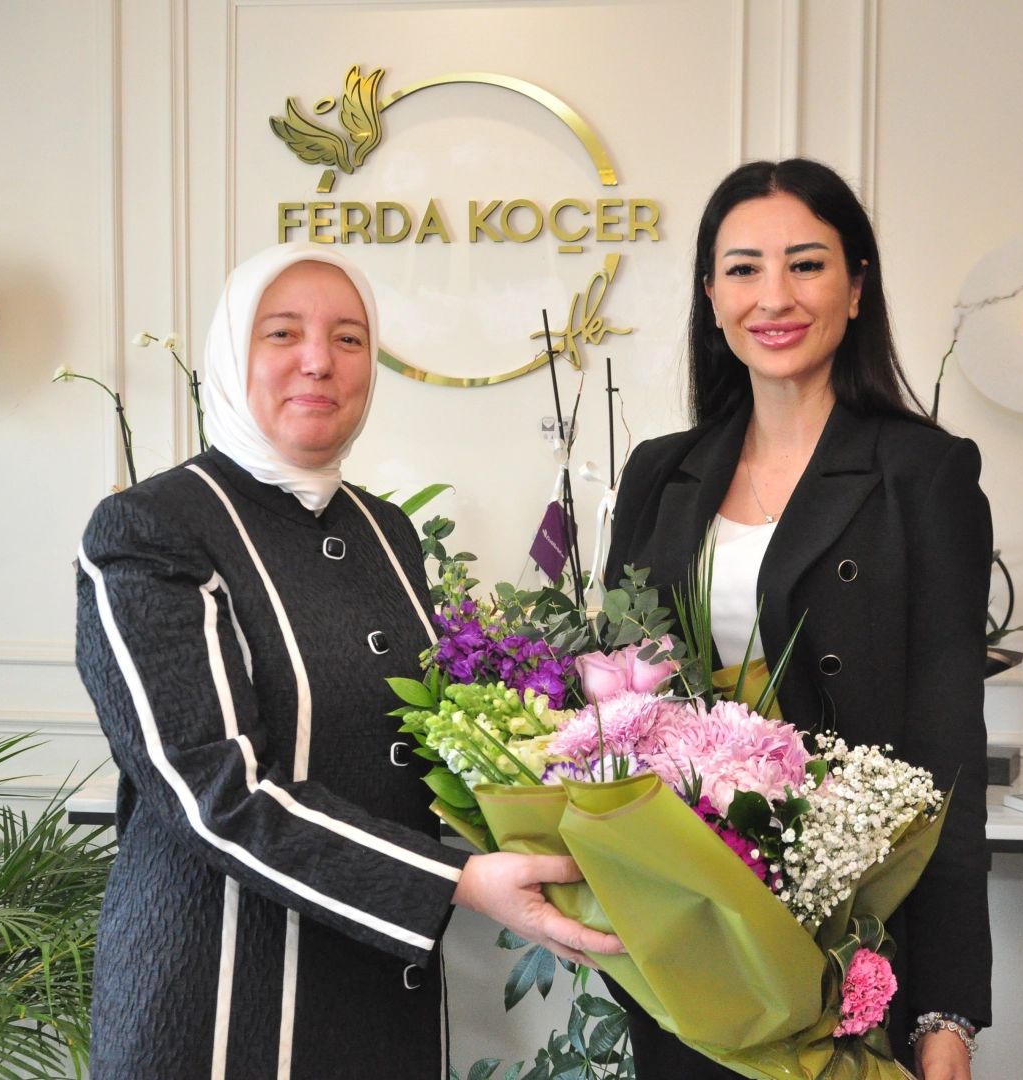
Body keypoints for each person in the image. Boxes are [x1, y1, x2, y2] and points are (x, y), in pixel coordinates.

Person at [74, 243, 621, 1080]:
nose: (318, 361)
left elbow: (419, 746)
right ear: (232, 353)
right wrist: (457, 881)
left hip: (377, 995)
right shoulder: (152, 528)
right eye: (282, 332)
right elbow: (213, 793)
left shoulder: (386, 531)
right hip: (220, 995)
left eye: (349, 338)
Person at [601, 159, 992, 1080]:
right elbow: (621, 710)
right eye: (743, 269)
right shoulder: (659, 473)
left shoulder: (923, 475)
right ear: (710, 296)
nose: (773, 296)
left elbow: (949, 748)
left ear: (856, 289)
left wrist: (946, 1009)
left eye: (806, 265)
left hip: (854, 936)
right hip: (690, 937)